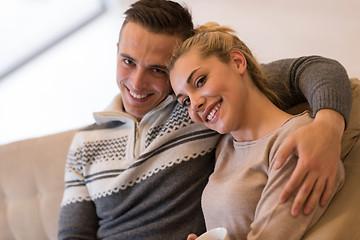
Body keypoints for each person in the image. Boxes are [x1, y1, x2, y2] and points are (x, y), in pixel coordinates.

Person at [57, 0, 351, 239]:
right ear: (116, 51)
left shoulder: (201, 111)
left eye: (158, 70)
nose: (137, 82)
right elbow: (73, 234)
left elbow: (313, 69)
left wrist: (328, 123)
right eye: (128, 61)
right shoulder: (84, 145)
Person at [168, 22, 345, 240]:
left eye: (200, 81)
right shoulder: (225, 147)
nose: (194, 104)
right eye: (185, 101)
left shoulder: (298, 141)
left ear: (237, 62)